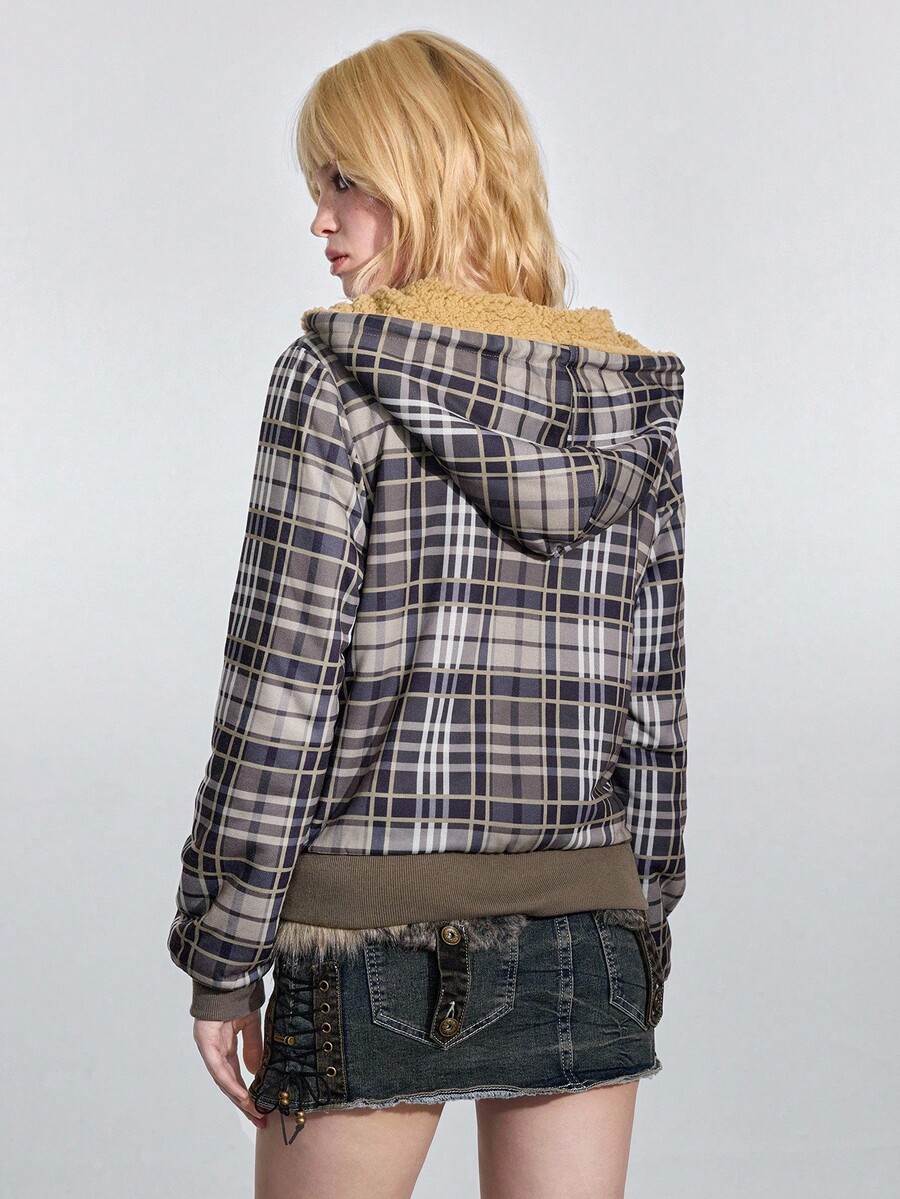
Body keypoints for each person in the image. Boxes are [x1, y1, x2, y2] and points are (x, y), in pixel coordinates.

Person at [167, 29, 687, 1199]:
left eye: (345, 182)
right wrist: (642, 918)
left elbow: (281, 688)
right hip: (590, 927)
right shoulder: (623, 400)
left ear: (427, 178)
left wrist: (224, 952)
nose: (321, 221)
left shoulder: (335, 377)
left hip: (369, 937)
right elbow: (654, 705)